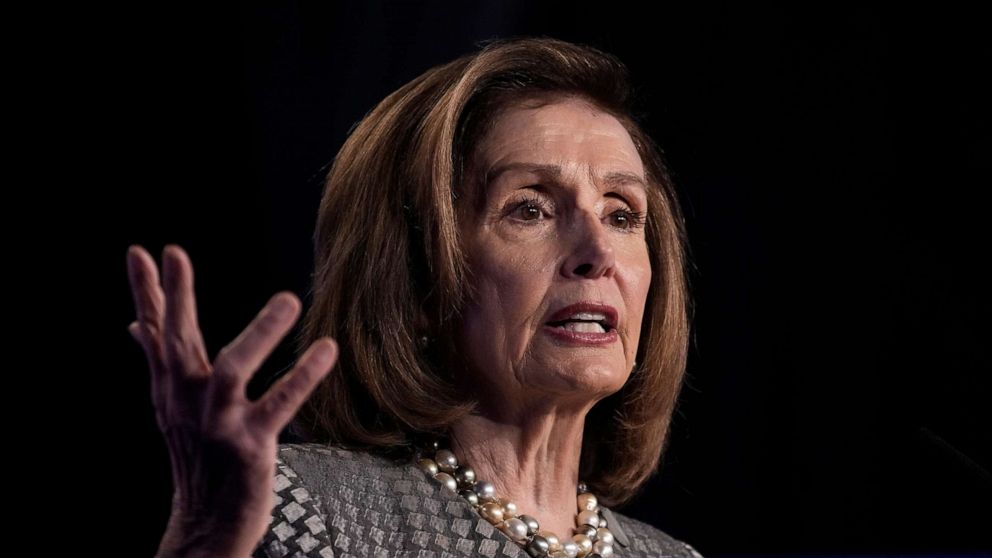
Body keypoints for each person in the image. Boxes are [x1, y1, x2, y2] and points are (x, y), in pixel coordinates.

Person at [127, 36, 703, 558]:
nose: (597, 251)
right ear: (419, 275)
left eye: (622, 215)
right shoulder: (302, 510)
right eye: (530, 208)